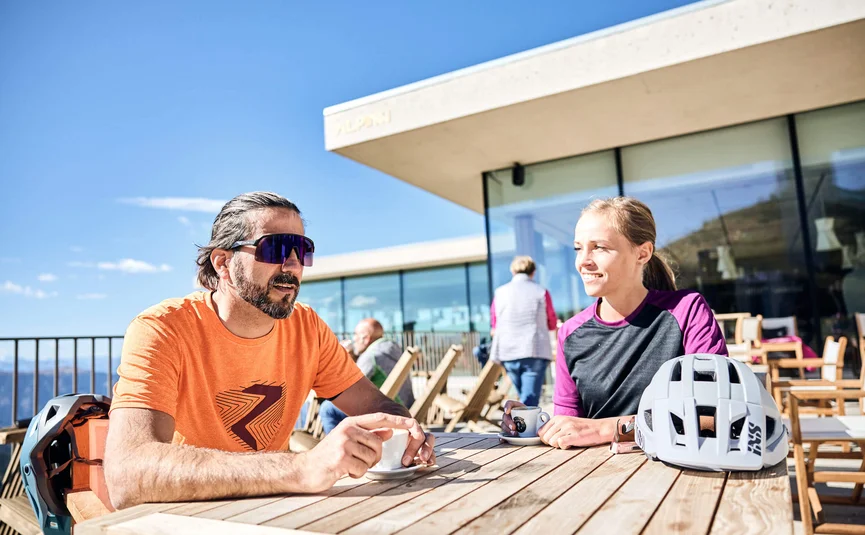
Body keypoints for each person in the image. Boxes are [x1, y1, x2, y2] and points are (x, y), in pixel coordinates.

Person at [104, 192, 434, 509]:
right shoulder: (162, 329)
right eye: (275, 248)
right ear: (223, 262)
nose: (292, 265)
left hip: (275, 509)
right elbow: (127, 474)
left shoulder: (307, 327)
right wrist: (302, 467)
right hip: (185, 516)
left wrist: (406, 431)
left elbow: (374, 405)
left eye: (301, 250)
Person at [501, 197, 726, 449]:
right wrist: (532, 425)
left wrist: (606, 429)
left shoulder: (687, 311)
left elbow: (710, 417)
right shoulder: (570, 333)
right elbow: (571, 429)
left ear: (642, 253)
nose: (583, 261)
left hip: (675, 470)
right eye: (578, 248)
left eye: (599, 247)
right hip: (594, 472)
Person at [319, 318, 416, 433]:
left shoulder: (371, 355)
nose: (354, 339)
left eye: (356, 334)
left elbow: (350, 384)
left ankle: (337, 444)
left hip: (387, 412)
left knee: (327, 408)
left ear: (366, 338)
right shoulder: (391, 350)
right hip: (403, 408)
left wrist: (340, 358)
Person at [489, 256, 558, 408]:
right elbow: (552, 321)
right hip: (533, 350)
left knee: (523, 399)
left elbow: (494, 323)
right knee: (529, 401)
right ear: (533, 272)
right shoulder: (541, 292)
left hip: (508, 352)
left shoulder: (499, 293)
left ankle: (521, 421)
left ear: (513, 271)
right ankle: (525, 422)